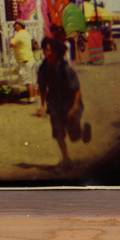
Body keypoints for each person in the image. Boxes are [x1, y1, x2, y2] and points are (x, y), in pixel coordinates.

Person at [36, 37, 92, 169]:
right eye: (45, 50)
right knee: (58, 131)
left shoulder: (64, 67)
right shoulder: (43, 68)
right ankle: (66, 158)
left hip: (70, 102)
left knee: (74, 136)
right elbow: (43, 88)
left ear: (56, 51)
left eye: (50, 50)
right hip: (54, 103)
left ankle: (83, 131)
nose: (47, 52)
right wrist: (43, 106)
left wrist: (75, 107)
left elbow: (77, 88)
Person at [9, 21, 36, 103]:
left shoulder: (19, 34)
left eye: (16, 25)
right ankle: (33, 96)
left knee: (28, 81)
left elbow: (11, 44)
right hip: (30, 58)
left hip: (25, 60)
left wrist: (11, 39)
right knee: (32, 80)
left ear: (20, 26)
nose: (14, 26)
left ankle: (31, 98)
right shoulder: (26, 33)